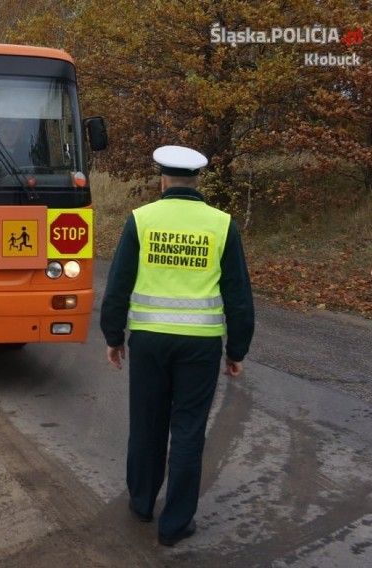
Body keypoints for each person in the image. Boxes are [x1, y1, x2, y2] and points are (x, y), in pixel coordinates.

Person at [99, 145, 255, 547]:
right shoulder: (221, 225)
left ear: (162, 180)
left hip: (150, 342)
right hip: (200, 346)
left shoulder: (142, 220)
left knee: (147, 422)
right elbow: (238, 295)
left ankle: (141, 502)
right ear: (198, 180)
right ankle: (175, 525)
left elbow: (118, 285)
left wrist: (113, 337)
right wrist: (236, 350)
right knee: (187, 430)